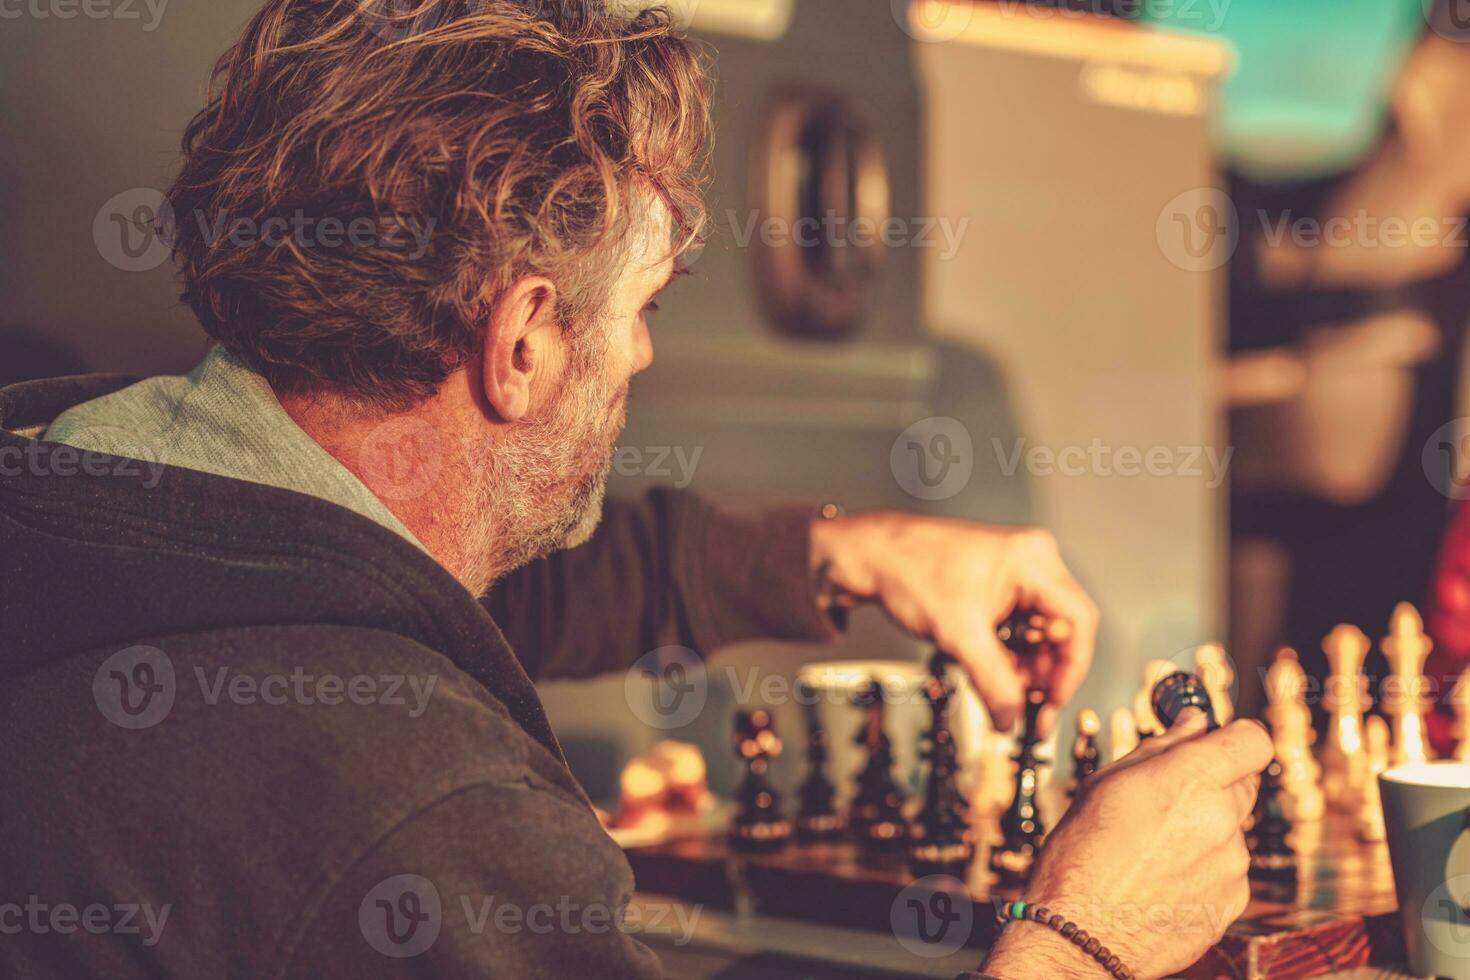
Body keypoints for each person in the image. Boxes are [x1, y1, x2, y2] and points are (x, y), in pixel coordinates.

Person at [0, 2, 1269, 977]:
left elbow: (471, 594)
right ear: (527, 339)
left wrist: (855, 552)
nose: (650, 355)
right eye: (646, 307)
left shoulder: (96, 493)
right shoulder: (420, 808)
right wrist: (1081, 937)